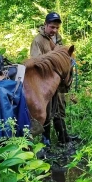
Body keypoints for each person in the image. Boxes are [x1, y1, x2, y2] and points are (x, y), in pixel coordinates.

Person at [30, 12, 78, 145]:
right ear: (45, 25)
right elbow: (36, 62)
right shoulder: (38, 41)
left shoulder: (57, 37)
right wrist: (52, 57)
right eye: (52, 27)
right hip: (45, 82)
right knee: (47, 110)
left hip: (58, 80)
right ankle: (46, 141)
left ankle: (63, 137)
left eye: (57, 28)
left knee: (60, 108)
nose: (54, 30)